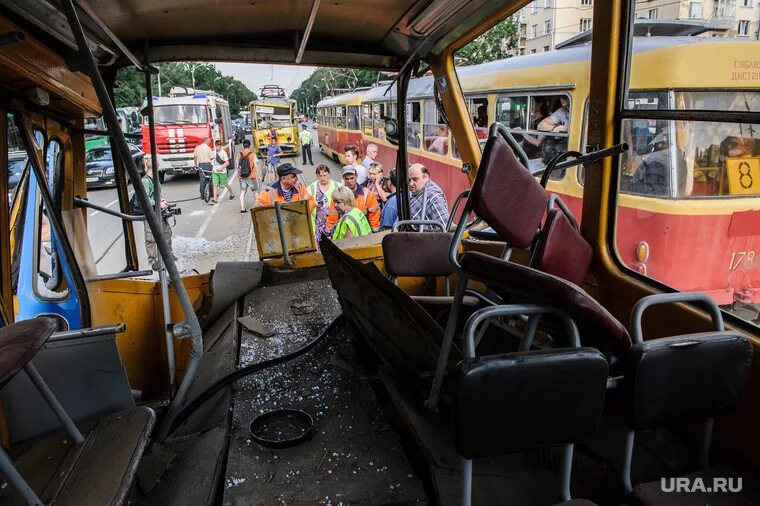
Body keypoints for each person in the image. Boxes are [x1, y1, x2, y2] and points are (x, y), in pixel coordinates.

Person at [141, 158, 175, 270]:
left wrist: (162, 201)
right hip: (151, 213)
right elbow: (145, 199)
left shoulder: (154, 179)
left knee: (166, 233)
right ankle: (152, 260)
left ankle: (168, 255)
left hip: (159, 211)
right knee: (151, 237)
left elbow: (157, 194)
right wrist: (158, 203)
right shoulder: (145, 181)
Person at [325, 167, 381, 233]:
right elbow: (332, 216)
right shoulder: (338, 195)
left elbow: (374, 215)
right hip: (345, 231)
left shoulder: (367, 194)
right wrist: (328, 233)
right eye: (347, 179)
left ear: (356, 176)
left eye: (352, 178)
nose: (349, 181)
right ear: (343, 178)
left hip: (363, 232)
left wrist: (375, 232)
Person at [408, 163, 449, 231]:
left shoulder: (433, 198)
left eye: (415, 179)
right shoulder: (417, 192)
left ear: (426, 177)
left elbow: (445, 228)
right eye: (409, 180)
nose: (411, 184)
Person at [308, 164, 341, 244]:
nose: (322, 178)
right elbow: (305, 206)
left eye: (324, 175)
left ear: (329, 174)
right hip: (317, 227)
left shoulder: (338, 186)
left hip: (333, 224)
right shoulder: (311, 188)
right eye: (320, 176)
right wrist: (314, 204)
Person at [237, 139, 259, 213]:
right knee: (255, 192)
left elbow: (238, 166)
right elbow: (256, 166)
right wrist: (258, 177)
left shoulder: (239, 154)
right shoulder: (252, 155)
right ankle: (256, 207)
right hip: (251, 176)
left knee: (242, 192)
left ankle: (242, 208)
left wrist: (238, 176)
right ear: (250, 145)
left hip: (242, 177)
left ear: (243, 146)